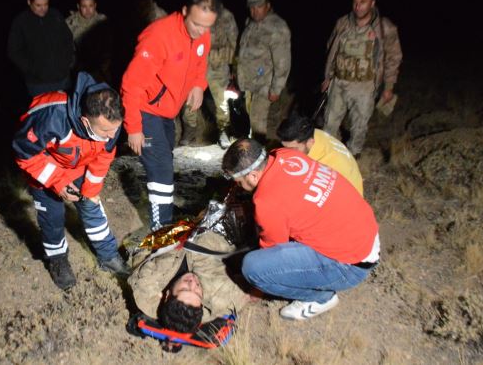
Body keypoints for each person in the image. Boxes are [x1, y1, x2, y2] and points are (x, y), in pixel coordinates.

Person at [221, 139, 380, 320]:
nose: (239, 186)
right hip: (366, 231)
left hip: (352, 265)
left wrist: (257, 288)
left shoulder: (267, 202)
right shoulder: (286, 155)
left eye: (239, 182)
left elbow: (273, 253)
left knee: (253, 267)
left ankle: (321, 299)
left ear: (253, 176)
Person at [12, 72, 130, 290]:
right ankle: (57, 260)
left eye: (115, 129)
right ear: (85, 121)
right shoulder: (51, 116)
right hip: (45, 167)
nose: (112, 135)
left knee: (91, 204)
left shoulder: (111, 120)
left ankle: (108, 255)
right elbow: (24, 153)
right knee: (52, 216)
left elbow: (104, 155)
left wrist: (91, 188)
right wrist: (57, 182)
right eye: (105, 131)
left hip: (77, 164)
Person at [121, 0, 221, 230]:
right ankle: (161, 229)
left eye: (207, 26)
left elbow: (200, 59)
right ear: (185, 11)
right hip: (147, 110)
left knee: (167, 158)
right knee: (161, 167)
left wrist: (198, 84)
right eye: (196, 24)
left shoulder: (203, 33)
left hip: (167, 112)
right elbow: (131, 84)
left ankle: (164, 212)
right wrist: (134, 127)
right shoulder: (158, 36)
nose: (200, 31)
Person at [321, 0, 403, 157]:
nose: (358, 6)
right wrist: (328, 77)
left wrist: (388, 86)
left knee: (359, 126)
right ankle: (328, 155)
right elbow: (331, 49)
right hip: (339, 81)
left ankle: (353, 156)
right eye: (355, 2)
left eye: (363, 2)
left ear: (372, 4)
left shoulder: (384, 28)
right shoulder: (342, 23)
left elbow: (393, 58)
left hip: (365, 86)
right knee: (329, 122)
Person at [129, 227, 249, 335]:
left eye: (184, 289)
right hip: (215, 233)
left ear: (166, 295)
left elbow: (142, 256)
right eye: (197, 292)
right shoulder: (221, 298)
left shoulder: (148, 285)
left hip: (175, 230)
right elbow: (251, 291)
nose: (192, 283)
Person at [179, 0, 239, 148]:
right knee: (190, 100)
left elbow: (233, 47)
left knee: (221, 102)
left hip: (217, 68)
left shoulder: (226, 17)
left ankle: (223, 132)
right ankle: (190, 132)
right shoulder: (192, 14)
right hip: (195, 66)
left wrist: (211, 55)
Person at [235, 0, 291, 142]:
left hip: (264, 84)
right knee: (247, 119)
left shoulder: (277, 27)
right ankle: (249, 148)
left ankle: (258, 157)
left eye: (259, 6)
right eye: (252, 7)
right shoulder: (250, 24)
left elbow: (283, 61)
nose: (255, 10)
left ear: (268, 5)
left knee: (257, 121)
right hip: (247, 83)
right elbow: (243, 52)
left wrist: (276, 88)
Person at [8, 0, 75, 97]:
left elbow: (68, 40)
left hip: (62, 79)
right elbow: (13, 51)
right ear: (29, 2)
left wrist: (68, 62)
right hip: (37, 84)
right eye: (38, 5)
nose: (43, 8)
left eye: (46, 4)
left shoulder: (56, 15)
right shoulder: (21, 22)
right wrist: (32, 69)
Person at [276, 113, 363, 195]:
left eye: (293, 149)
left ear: (310, 142)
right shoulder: (312, 134)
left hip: (346, 196)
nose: (287, 152)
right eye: (284, 147)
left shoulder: (326, 162)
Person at [65, 0, 112, 83]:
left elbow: (109, 47)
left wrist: (104, 67)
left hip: (100, 72)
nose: (88, 10)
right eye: (84, 6)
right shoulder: (70, 23)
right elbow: (66, 50)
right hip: (78, 72)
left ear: (95, 5)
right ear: (78, 6)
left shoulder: (103, 21)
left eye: (90, 6)